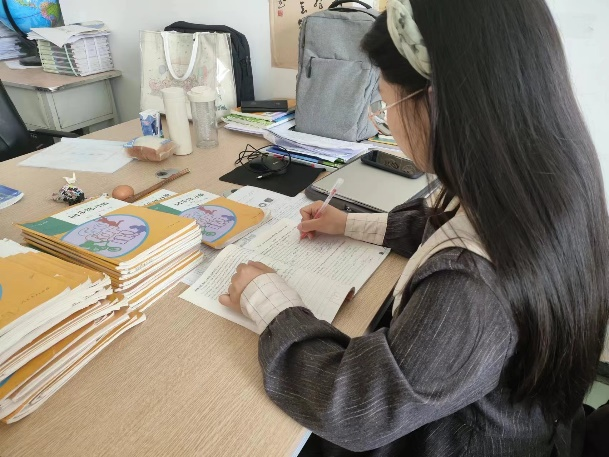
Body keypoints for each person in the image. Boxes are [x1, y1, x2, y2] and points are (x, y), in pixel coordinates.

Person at [219, 0, 609, 455]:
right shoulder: (547, 184)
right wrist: (348, 223)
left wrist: (267, 299)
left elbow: (353, 410)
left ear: (436, 103)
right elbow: (443, 225)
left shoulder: (470, 292)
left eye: (386, 105)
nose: (386, 121)